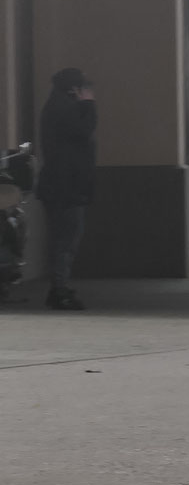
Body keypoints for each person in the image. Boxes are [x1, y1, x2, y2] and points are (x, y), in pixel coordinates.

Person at [38, 68, 96, 311]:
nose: (88, 93)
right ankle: (59, 290)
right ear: (74, 88)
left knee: (63, 239)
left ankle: (59, 286)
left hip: (61, 184)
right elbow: (84, 131)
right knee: (66, 240)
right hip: (66, 186)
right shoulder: (65, 109)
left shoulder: (56, 106)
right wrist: (89, 105)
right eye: (84, 88)